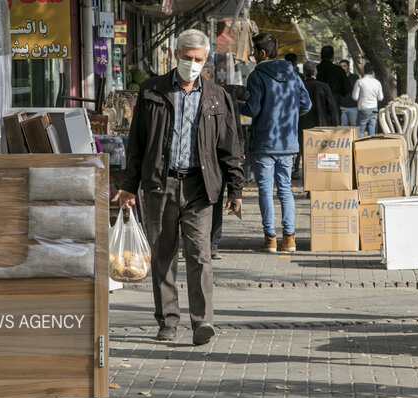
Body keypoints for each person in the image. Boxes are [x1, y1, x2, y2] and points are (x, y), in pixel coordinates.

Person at [117, 29, 244, 345]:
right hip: (160, 184)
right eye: (188, 58)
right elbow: (137, 144)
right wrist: (129, 186)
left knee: (200, 254)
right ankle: (168, 322)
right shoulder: (152, 91)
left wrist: (236, 189)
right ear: (176, 56)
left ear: (206, 60)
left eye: (199, 59)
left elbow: (230, 145)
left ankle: (203, 322)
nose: (193, 64)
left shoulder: (217, 95)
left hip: (200, 187)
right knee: (164, 254)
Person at [239, 33, 311, 253]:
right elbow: (306, 104)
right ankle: (289, 239)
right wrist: (288, 116)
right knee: (286, 189)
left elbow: (252, 109)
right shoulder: (293, 74)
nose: (252, 55)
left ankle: (269, 239)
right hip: (287, 141)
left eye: (253, 51)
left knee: (265, 189)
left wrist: (235, 105)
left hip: (264, 142)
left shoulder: (256, 75)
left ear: (262, 53)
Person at [201, 57, 248, 260]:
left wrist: (239, 152)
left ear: (209, 73)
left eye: (201, 69)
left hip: (217, 159)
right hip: (196, 163)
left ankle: (212, 243)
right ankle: (198, 242)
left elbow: (233, 129)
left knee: (216, 200)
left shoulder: (221, 95)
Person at [294, 61, 339, 178]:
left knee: (306, 155)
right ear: (316, 72)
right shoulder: (323, 86)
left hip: (302, 125)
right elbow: (332, 108)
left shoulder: (298, 87)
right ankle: (320, 180)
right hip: (321, 125)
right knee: (321, 154)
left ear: (304, 73)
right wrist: (336, 126)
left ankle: (308, 181)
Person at [352, 62, 384, 137]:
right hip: (374, 108)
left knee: (361, 129)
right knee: (372, 127)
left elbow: (355, 97)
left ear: (363, 71)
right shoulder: (377, 83)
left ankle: (360, 146)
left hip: (363, 107)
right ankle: (371, 145)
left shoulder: (360, 82)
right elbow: (380, 98)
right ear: (373, 72)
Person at [338, 59, 359, 126]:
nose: (343, 68)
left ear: (348, 67)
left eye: (344, 66)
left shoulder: (355, 78)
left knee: (354, 127)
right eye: (341, 66)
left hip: (353, 107)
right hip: (342, 107)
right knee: (343, 128)